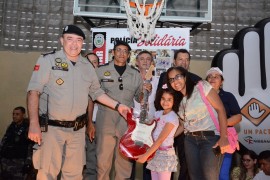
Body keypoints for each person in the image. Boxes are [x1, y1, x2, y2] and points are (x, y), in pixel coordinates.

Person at [27, 25, 130, 179]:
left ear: (83, 43)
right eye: (70, 39)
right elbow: (33, 92)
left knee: (74, 175)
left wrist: (118, 106)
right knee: (47, 173)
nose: (74, 44)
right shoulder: (48, 60)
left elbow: (97, 92)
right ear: (62, 40)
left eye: (79, 40)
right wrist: (33, 124)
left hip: (77, 131)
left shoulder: (87, 66)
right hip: (52, 129)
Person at [95, 40, 151, 180]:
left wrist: (145, 91)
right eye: (119, 50)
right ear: (113, 52)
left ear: (129, 55)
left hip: (126, 122)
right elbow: (94, 94)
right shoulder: (100, 71)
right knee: (103, 161)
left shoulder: (135, 74)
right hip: (105, 119)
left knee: (125, 164)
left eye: (125, 51)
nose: (122, 53)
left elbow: (139, 98)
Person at [166, 66, 229, 180]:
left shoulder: (201, 86)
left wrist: (224, 137)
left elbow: (221, 109)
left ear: (185, 77)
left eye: (178, 77)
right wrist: (166, 138)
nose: (175, 81)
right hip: (190, 140)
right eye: (171, 80)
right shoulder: (179, 100)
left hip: (210, 139)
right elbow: (182, 125)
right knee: (195, 177)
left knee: (210, 177)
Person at [157, 49, 201, 180]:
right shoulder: (165, 76)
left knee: (186, 161)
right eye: (181, 59)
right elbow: (159, 98)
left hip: (185, 127)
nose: (184, 62)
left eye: (187, 59)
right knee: (163, 160)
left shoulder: (196, 79)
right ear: (174, 61)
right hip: (166, 125)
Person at [136, 85, 181, 180]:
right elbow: (149, 127)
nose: (165, 102)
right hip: (155, 152)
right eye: (163, 98)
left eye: (169, 99)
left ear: (174, 101)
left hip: (165, 155)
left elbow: (160, 139)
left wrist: (145, 155)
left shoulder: (172, 117)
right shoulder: (158, 113)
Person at [206, 67, 242, 180]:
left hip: (225, 137)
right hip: (205, 139)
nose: (212, 78)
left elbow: (238, 116)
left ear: (221, 81)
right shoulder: (201, 97)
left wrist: (222, 123)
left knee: (223, 173)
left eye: (216, 76)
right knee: (207, 173)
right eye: (209, 77)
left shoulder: (228, 96)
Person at [132, 50, 159, 180]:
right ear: (137, 62)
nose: (145, 61)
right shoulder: (131, 79)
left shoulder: (158, 81)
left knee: (149, 156)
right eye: (141, 59)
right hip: (133, 122)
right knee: (130, 155)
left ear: (152, 62)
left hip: (151, 123)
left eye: (148, 59)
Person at [0, 106, 34, 179]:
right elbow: (4, 141)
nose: (14, 116)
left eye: (17, 114)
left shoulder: (28, 128)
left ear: (23, 115)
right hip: (6, 161)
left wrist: (28, 163)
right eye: (13, 114)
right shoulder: (11, 126)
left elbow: (29, 147)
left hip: (19, 162)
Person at [83, 52, 100, 180]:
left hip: (94, 124)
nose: (91, 65)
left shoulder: (103, 81)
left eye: (94, 62)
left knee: (91, 157)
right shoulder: (77, 79)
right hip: (75, 125)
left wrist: (90, 123)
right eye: (88, 62)